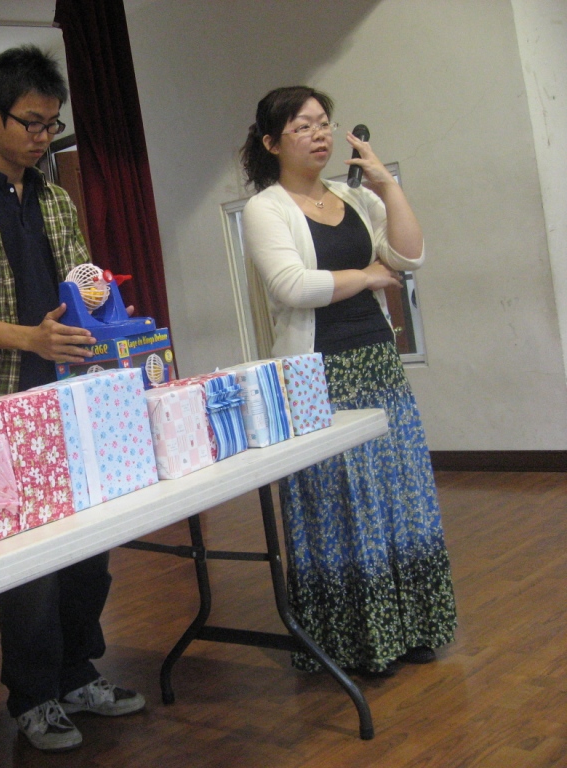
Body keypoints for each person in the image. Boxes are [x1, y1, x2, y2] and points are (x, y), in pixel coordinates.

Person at [0, 45, 145, 752]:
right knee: (29, 565)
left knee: (89, 550)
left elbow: (82, 283)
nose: (44, 137)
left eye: (52, 124)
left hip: (73, 395)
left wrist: (104, 312)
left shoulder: (56, 199)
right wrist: (31, 339)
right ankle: (34, 696)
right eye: (32, 123)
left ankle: (79, 674)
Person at [239, 86, 457, 677]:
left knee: (397, 492)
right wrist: (364, 276)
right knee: (342, 501)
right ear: (271, 142)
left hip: (377, 361)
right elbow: (293, 286)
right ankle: (353, 639)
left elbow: (409, 257)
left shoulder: (355, 196)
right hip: (316, 373)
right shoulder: (266, 207)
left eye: (324, 123)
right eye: (303, 126)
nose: (320, 134)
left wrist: (387, 184)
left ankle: (411, 626)